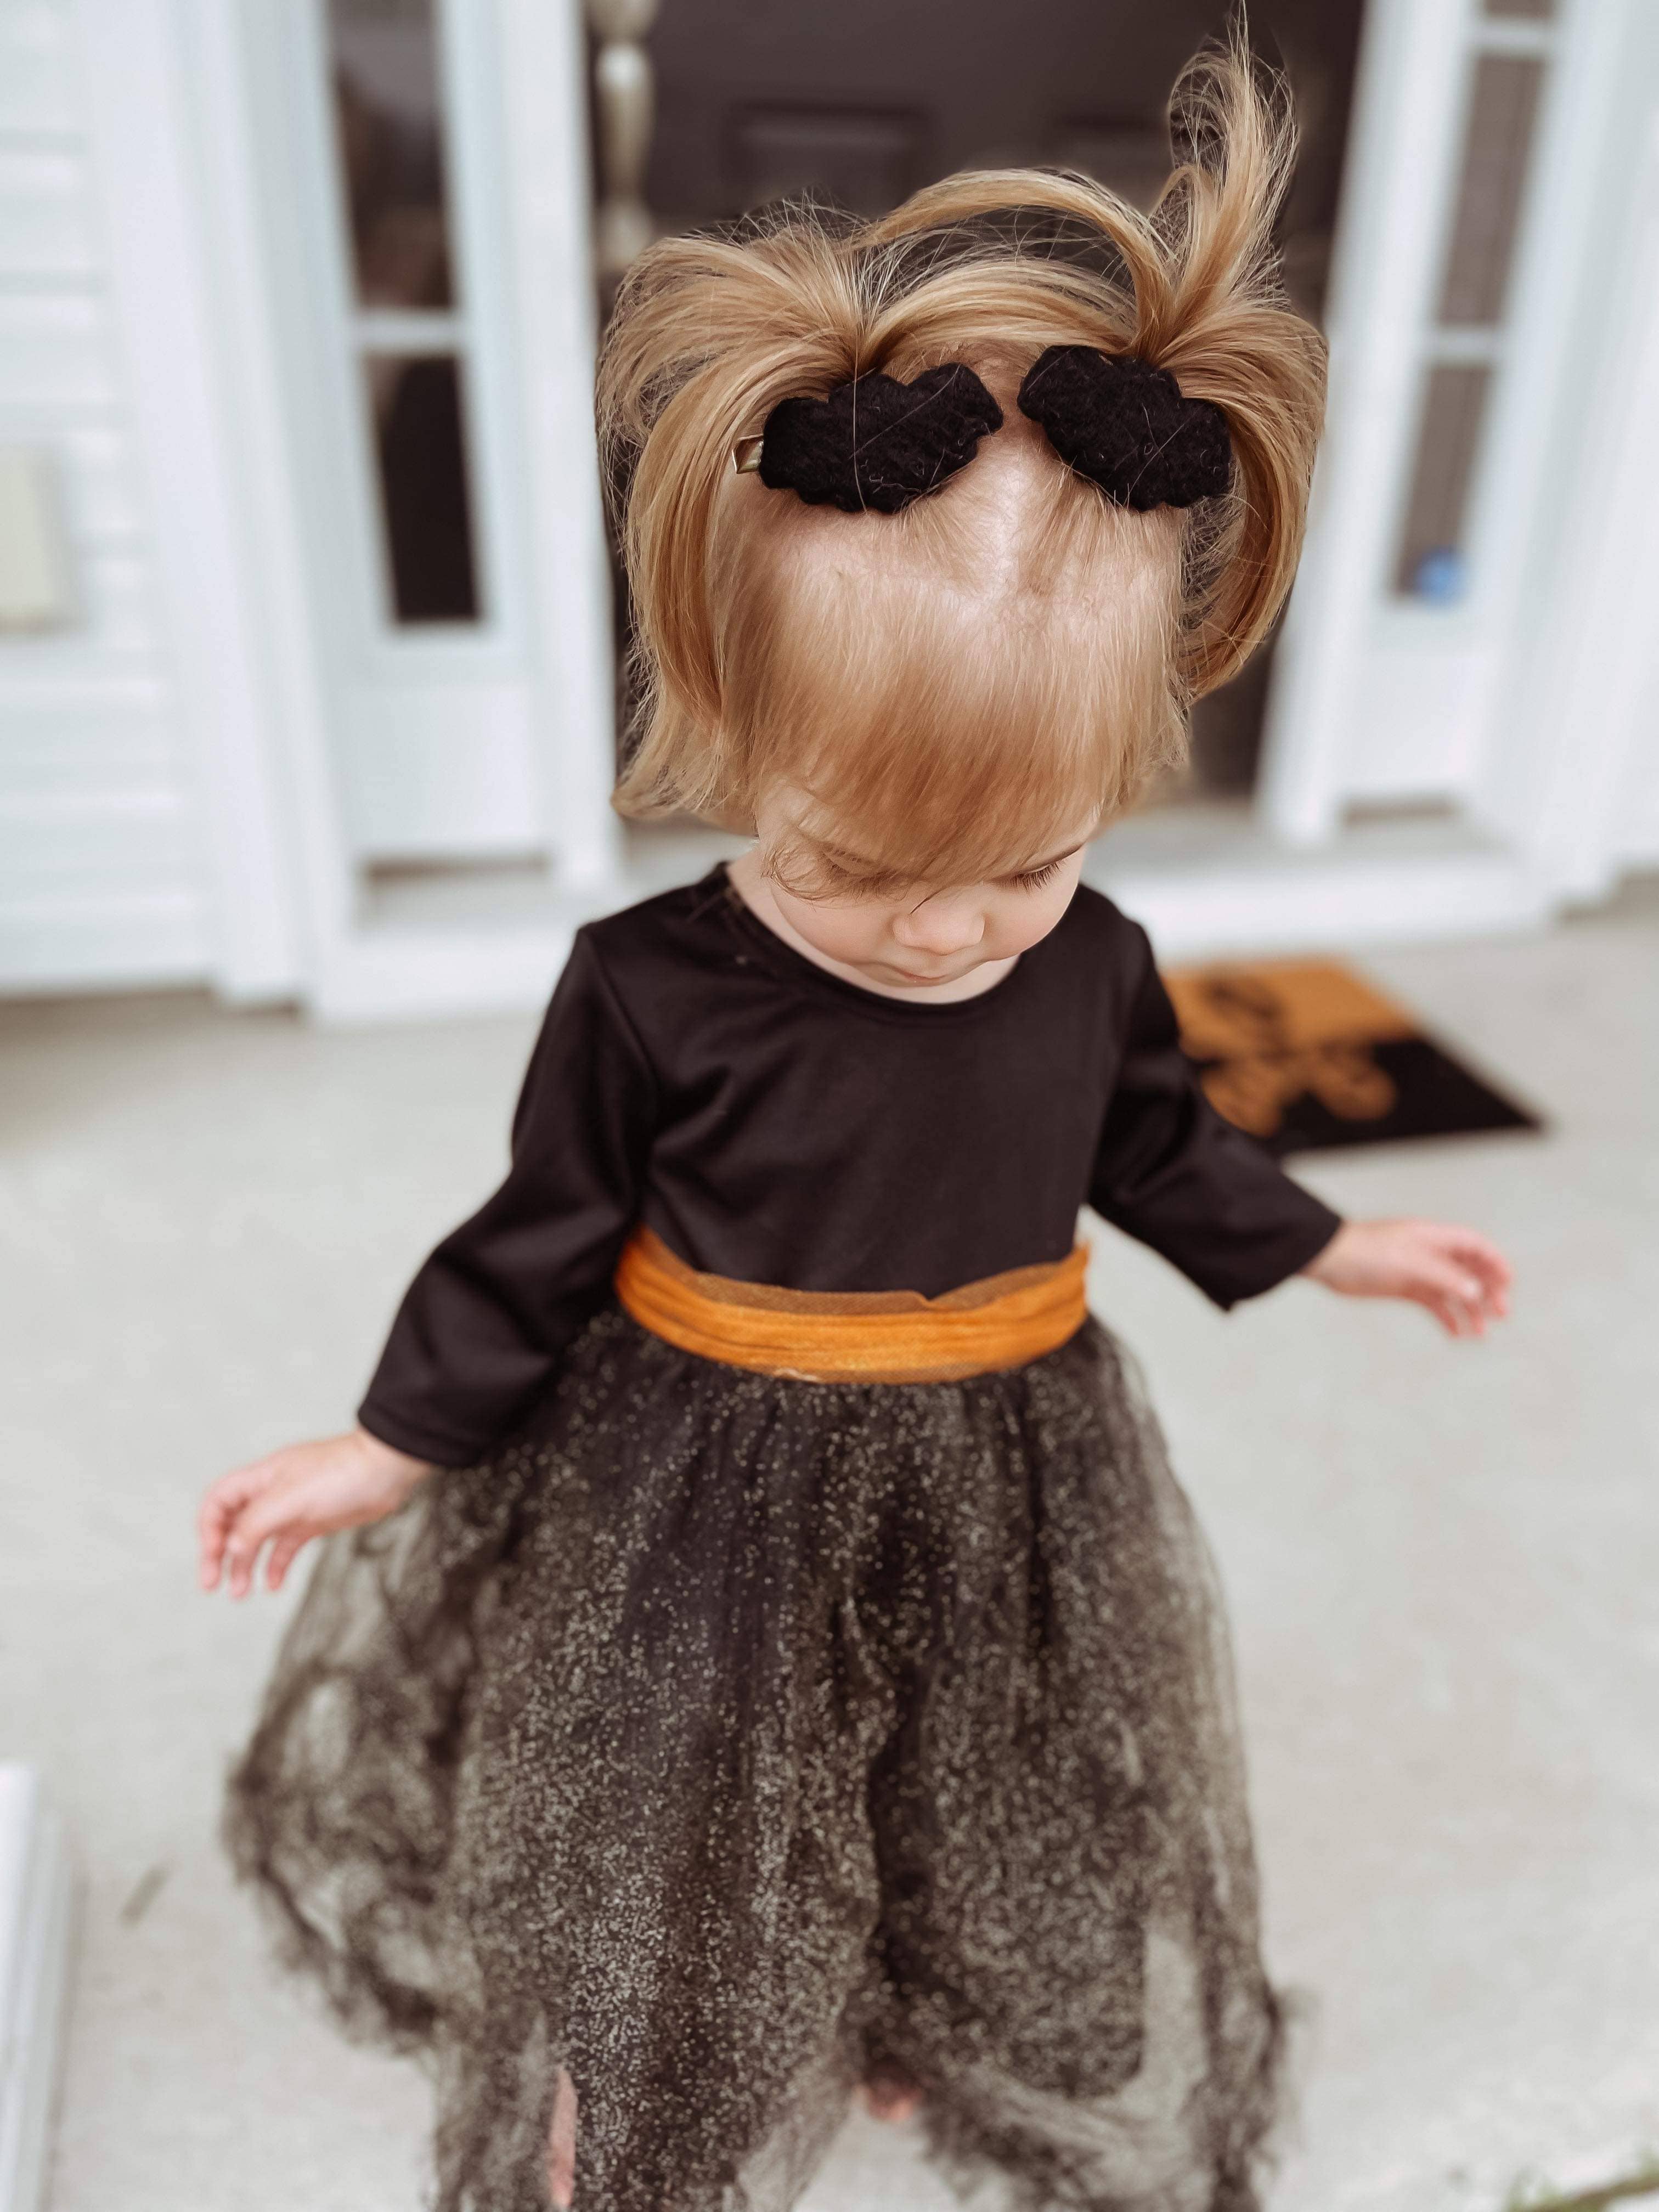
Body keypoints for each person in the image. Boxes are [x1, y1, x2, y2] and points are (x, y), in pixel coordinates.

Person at [198, 43, 1510, 2212]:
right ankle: (623, 2093)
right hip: (706, 1468)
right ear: (732, 735)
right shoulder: (652, 989)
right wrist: (391, 1441)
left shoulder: (1093, 962)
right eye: (863, 864)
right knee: (680, 1803)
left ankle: (910, 2005)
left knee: (964, 1763)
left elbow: (1156, 1145)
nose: (947, 928)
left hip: (1009, 1450)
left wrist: (1329, 1243)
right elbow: (536, 1236)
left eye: (1028, 861)